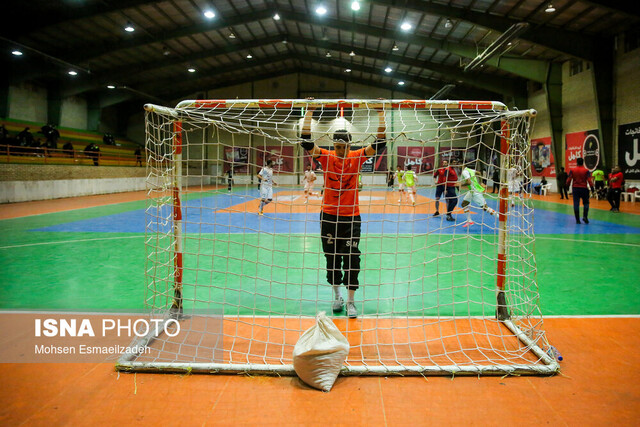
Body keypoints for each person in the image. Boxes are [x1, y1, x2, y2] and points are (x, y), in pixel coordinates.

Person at [300, 104, 386, 319]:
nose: (340, 149)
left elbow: (381, 143)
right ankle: (337, 297)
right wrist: (309, 112)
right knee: (332, 258)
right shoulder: (327, 157)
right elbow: (306, 141)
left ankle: (351, 302)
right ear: (333, 145)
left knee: (352, 258)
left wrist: (381, 113)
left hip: (351, 217)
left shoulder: (356, 157)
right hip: (328, 216)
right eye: (337, 146)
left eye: (343, 146)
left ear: (349, 145)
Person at [460, 163, 496, 227]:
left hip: (475, 192)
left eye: (458, 164)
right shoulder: (469, 170)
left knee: (485, 208)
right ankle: (469, 221)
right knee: (464, 204)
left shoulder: (464, 172)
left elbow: (468, 182)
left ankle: (500, 217)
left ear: (462, 165)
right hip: (471, 191)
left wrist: (460, 184)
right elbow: (479, 173)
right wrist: (481, 182)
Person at [566, 157, 594, 224]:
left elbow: (569, 179)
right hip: (584, 188)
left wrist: (567, 186)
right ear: (583, 162)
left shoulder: (572, 170)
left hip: (575, 188)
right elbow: (589, 180)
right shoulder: (586, 171)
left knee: (576, 203)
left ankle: (577, 220)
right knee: (586, 203)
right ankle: (585, 216)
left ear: (577, 162)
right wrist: (592, 187)